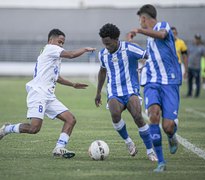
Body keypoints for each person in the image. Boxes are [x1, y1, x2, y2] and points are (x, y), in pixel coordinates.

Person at [0, 29, 95, 158]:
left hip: (49, 96)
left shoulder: (54, 55)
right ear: (51, 41)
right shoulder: (50, 48)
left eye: (63, 43)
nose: (61, 45)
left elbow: (57, 78)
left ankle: (59, 148)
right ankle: (7, 129)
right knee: (34, 129)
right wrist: (84, 49)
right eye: (59, 42)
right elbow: (71, 54)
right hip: (38, 93)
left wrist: (73, 84)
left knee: (70, 119)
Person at [129, 4, 181, 172]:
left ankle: (171, 135)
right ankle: (161, 162)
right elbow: (152, 57)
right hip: (152, 82)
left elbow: (162, 35)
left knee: (167, 126)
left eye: (140, 20)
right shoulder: (150, 40)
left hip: (169, 82)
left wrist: (139, 30)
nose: (140, 23)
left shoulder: (162, 26)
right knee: (153, 116)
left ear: (145, 18)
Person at [95, 23, 157, 162]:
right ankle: (129, 142)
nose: (107, 47)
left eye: (109, 44)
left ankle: (150, 151)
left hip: (131, 90)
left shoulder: (130, 48)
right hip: (114, 91)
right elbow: (103, 71)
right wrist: (98, 92)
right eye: (104, 44)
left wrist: (145, 67)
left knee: (137, 116)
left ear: (116, 40)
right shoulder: (103, 54)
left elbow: (150, 57)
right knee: (115, 115)